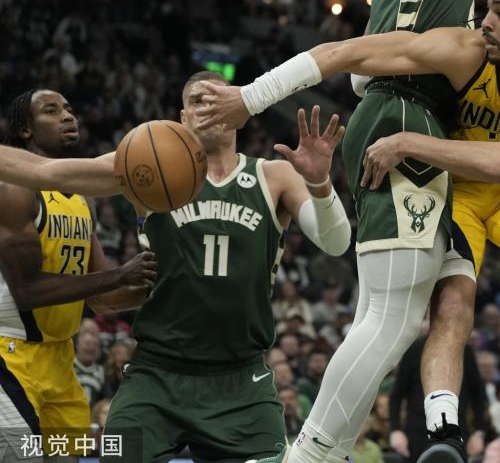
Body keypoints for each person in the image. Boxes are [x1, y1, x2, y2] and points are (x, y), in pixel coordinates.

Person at [194, 0, 500, 462]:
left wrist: (409, 142)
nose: (486, 21)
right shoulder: (467, 48)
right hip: (459, 187)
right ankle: (443, 431)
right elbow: (344, 53)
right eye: (488, 7)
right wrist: (250, 97)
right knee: (452, 302)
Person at [199, 0, 480, 460]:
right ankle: (308, 454)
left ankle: (328, 452)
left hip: (409, 118)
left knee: (384, 316)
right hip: (401, 111)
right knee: (394, 319)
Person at [0, 72, 352, 462]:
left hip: (241, 380)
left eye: (220, 98)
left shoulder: (275, 175)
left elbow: (336, 242)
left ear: (242, 110)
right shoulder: (144, 165)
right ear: (183, 117)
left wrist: (320, 185)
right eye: (199, 100)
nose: (210, 106)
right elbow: (46, 172)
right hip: (155, 376)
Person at [0, 89, 156, 459]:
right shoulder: (13, 188)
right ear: (25, 129)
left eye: (69, 109)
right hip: (9, 354)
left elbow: (101, 298)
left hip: (60, 360)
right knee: (21, 456)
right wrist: (122, 274)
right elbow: (27, 291)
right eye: (51, 111)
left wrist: (153, 285)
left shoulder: (81, 198)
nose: (68, 116)